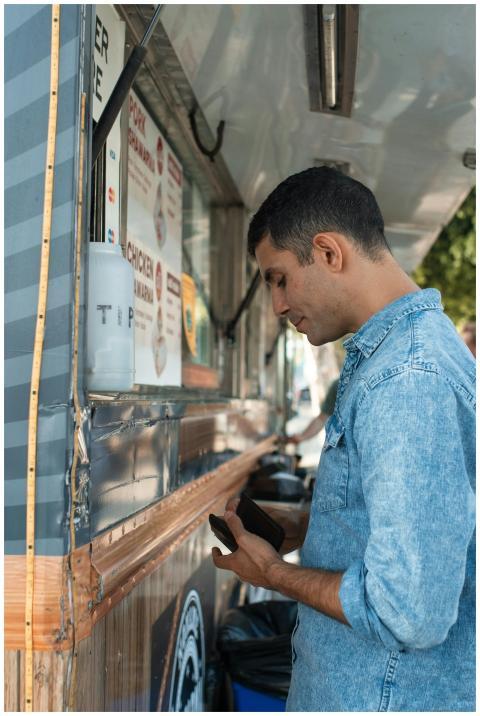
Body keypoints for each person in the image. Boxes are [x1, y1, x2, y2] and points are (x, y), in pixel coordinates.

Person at [212, 167, 475, 711]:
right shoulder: (400, 354)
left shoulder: (406, 378)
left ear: (329, 252)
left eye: (280, 278)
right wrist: (309, 527)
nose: (278, 306)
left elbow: (408, 609)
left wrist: (273, 574)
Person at [287, 377, 339, 444]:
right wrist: (301, 437)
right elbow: (322, 419)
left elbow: (322, 419)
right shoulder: (339, 384)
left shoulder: (339, 384)